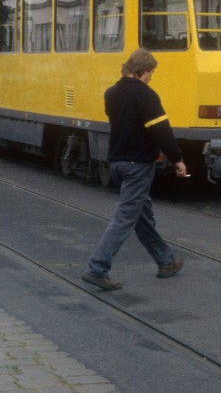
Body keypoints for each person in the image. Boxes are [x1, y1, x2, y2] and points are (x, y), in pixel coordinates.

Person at [82, 48, 187, 291]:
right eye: (151, 72)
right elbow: (161, 131)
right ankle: (97, 268)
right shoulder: (146, 96)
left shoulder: (111, 93)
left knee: (141, 216)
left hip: (117, 164)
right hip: (137, 165)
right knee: (125, 218)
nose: (152, 77)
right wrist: (177, 159)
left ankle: (166, 261)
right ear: (143, 71)